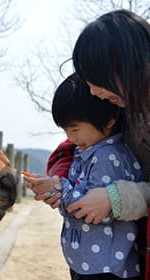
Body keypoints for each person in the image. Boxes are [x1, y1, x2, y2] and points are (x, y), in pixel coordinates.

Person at [30, 9, 150, 280]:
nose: (93, 92)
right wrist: (58, 182)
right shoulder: (122, 108)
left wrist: (115, 197)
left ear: (124, 65)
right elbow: (72, 151)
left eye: (95, 79)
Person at [25, 72, 143, 279]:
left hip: (107, 268)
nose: (70, 137)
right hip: (89, 262)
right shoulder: (84, 152)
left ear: (108, 121)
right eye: (66, 130)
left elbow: (94, 211)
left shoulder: (109, 157)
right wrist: (55, 187)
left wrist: (60, 188)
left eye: (75, 129)